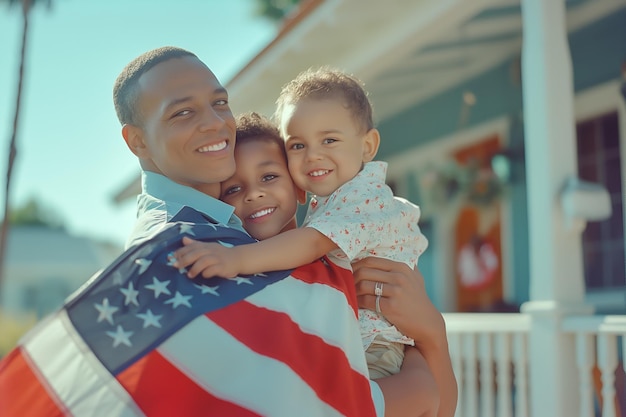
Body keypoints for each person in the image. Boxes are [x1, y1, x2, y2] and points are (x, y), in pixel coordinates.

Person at [116, 46, 456, 416]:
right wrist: (423, 373)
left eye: (219, 102)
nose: (214, 122)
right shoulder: (184, 244)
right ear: (137, 140)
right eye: (182, 111)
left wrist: (431, 334)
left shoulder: (267, 238)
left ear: (298, 186)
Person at [174, 68, 427, 379]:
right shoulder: (335, 200)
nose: (312, 156)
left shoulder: (362, 196)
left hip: (373, 346)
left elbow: (312, 242)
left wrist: (235, 258)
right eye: (297, 145)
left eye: (329, 140)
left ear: (368, 146)